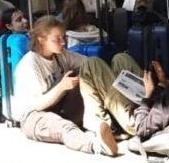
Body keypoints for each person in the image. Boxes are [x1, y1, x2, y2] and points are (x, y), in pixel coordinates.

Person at [13, 16, 118, 156]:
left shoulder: (61, 55)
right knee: (64, 128)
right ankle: (97, 145)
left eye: (64, 37)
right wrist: (62, 87)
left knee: (85, 72)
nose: (63, 42)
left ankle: (113, 123)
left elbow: (89, 64)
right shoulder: (30, 65)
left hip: (59, 106)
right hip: (34, 116)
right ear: (41, 39)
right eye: (57, 39)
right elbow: (37, 105)